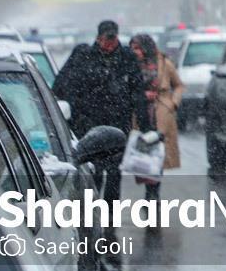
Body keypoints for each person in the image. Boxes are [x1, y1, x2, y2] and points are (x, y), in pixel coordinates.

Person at [53, 20, 149, 204]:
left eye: (113, 39)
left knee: (114, 172)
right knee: (92, 171)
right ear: (98, 38)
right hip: (90, 124)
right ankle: (94, 209)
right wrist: (77, 114)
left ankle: (110, 213)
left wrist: (144, 125)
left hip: (118, 124)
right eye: (107, 39)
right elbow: (64, 86)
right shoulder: (84, 57)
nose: (110, 44)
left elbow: (137, 92)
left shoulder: (127, 58)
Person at [129, 33, 184, 200]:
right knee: (143, 153)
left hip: (161, 113)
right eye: (132, 48)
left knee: (158, 153)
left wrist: (173, 103)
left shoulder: (164, 63)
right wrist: (141, 96)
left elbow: (179, 85)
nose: (135, 51)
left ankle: (153, 193)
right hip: (141, 113)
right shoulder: (131, 65)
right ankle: (148, 190)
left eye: (137, 48)